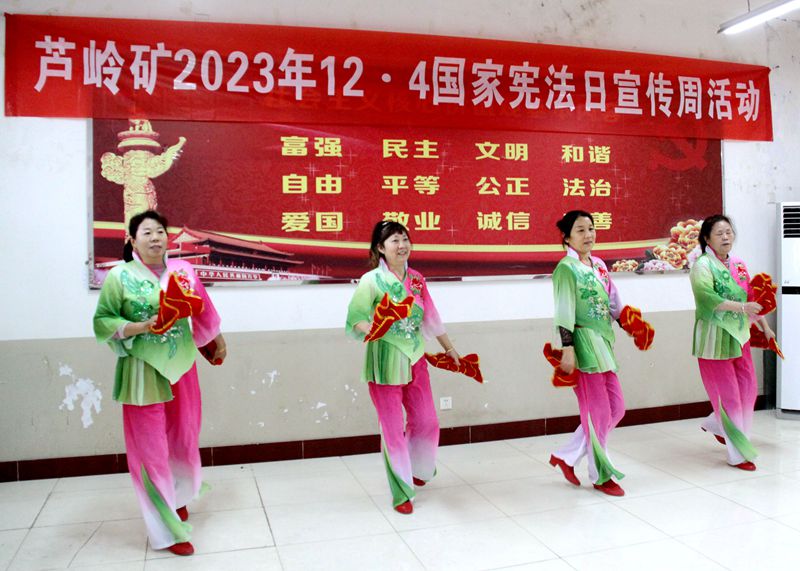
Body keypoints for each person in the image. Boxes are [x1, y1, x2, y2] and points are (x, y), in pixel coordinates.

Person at [93, 210, 226, 556]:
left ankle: (178, 497)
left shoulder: (183, 271)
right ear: (132, 241)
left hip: (182, 367)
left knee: (184, 436)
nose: (155, 238)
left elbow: (204, 311)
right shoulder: (119, 276)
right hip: (141, 370)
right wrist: (141, 327)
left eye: (160, 232)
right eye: (147, 232)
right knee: (150, 449)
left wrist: (216, 341)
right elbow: (103, 320)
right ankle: (167, 529)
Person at [346, 220, 460, 514]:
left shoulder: (418, 279)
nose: (402, 245)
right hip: (384, 361)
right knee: (393, 429)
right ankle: (401, 491)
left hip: (415, 358)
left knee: (427, 420)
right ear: (380, 248)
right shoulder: (371, 280)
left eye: (405, 239)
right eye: (395, 240)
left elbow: (431, 317)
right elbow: (355, 317)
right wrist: (375, 330)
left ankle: (417, 468)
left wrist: (449, 348)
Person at [548, 210, 628, 497]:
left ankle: (567, 456)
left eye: (591, 229)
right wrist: (568, 348)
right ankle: (601, 475)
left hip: (603, 343)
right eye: (580, 230)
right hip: (582, 344)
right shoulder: (565, 269)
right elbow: (563, 310)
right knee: (598, 413)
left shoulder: (599, 265)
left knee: (616, 409)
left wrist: (631, 324)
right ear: (567, 237)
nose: (588, 235)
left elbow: (614, 302)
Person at [689, 214, 773, 470]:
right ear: (707, 239)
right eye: (719, 233)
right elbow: (707, 298)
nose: (725, 237)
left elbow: (750, 298)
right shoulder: (702, 266)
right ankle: (738, 453)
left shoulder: (739, 264)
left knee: (748, 391)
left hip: (739, 336)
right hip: (714, 339)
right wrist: (742, 308)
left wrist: (765, 327)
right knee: (730, 398)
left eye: (728, 232)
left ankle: (717, 423)